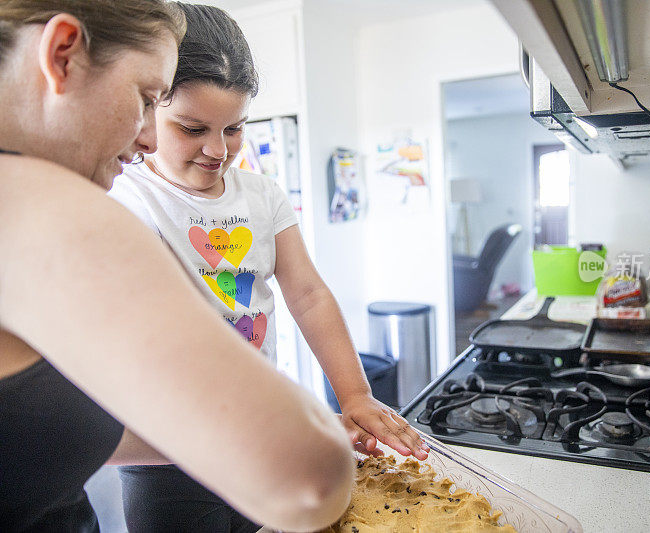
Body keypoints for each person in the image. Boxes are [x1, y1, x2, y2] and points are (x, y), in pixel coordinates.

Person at [0, 2, 357, 532]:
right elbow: (310, 476)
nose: (145, 137)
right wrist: (303, 438)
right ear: (63, 54)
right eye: (147, 98)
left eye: (233, 128)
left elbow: (37, 432)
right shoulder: (40, 202)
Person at [107, 3, 429, 531]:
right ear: (148, 113)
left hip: (260, 441)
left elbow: (308, 295)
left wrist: (354, 394)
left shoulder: (261, 195)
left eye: (234, 128)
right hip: (167, 461)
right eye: (191, 128)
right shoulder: (125, 196)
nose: (218, 150)